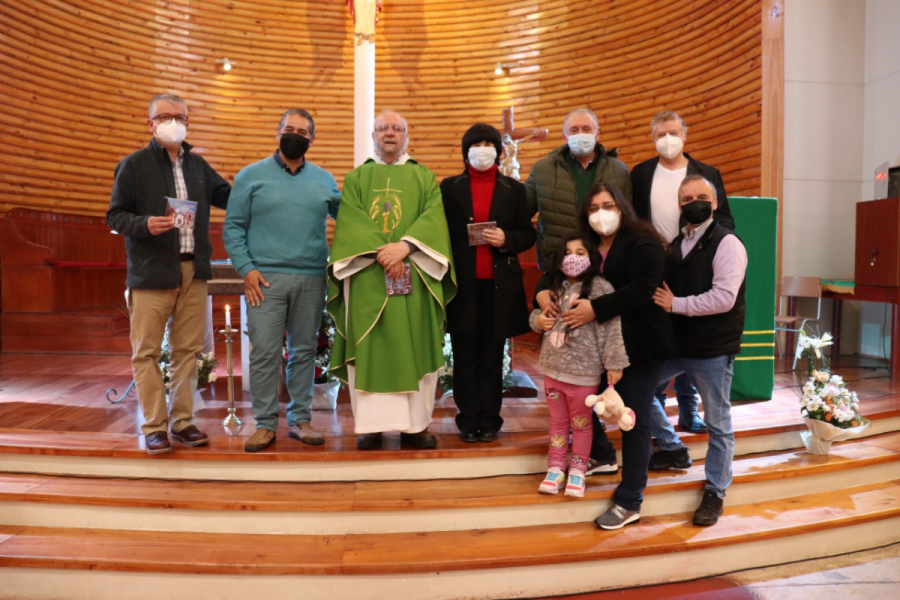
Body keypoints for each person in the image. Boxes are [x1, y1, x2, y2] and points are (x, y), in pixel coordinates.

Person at [534, 182, 677, 529]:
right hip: (591, 350)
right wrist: (541, 294)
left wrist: (593, 309)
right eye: (594, 207)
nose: (601, 213)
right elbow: (556, 272)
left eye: (608, 204)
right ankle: (600, 455)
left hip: (639, 345)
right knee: (583, 401)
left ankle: (630, 500)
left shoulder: (643, 241)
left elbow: (642, 289)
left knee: (632, 418)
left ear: (621, 207)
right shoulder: (586, 245)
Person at [107, 93, 230, 455]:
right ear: (151, 123)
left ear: (188, 122)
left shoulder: (198, 166)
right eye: (165, 116)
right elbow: (115, 216)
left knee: (187, 351)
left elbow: (231, 196)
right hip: (150, 272)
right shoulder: (133, 165)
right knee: (146, 353)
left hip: (193, 269)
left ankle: (182, 422)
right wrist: (144, 223)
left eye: (180, 116)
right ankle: (154, 426)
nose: (173, 121)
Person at [327, 110, 457, 450]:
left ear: (406, 136)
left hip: (415, 273)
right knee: (369, 346)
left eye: (397, 128)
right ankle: (370, 427)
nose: (389, 133)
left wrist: (404, 247)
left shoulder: (424, 178)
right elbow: (351, 222)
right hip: (367, 274)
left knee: (414, 344)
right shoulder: (357, 178)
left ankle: (415, 427)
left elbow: (434, 221)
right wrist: (385, 254)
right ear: (373, 135)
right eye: (383, 128)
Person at [223, 108, 341, 453]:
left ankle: (301, 420)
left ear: (312, 140)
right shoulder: (250, 176)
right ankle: (265, 424)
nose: (295, 135)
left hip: (311, 278)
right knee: (265, 353)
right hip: (265, 279)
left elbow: (351, 219)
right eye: (288, 129)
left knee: (304, 351)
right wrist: (247, 269)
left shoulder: (324, 179)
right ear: (277, 133)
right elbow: (232, 227)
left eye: (302, 132)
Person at [647, 174, 747, 527]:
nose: (694, 204)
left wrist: (676, 305)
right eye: (686, 199)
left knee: (718, 424)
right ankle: (673, 447)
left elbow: (724, 297)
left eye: (700, 197)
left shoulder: (727, 243)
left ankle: (716, 490)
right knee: (639, 390)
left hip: (712, 348)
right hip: (677, 344)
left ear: (715, 202)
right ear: (680, 206)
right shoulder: (678, 243)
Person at [631, 110, 734, 435]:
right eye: (660, 134)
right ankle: (657, 410)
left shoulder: (706, 173)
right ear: (652, 138)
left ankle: (690, 411)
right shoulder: (642, 173)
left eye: (672, 132)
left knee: (692, 332)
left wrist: (705, 248)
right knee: (660, 334)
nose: (667, 139)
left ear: (684, 135)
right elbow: (633, 218)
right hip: (656, 264)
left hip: (695, 260)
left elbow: (726, 219)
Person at [440, 123, 536, 443]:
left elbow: (527, 234)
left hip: (499, 286)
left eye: (488, 144)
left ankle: (490, 420)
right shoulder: (449, 187)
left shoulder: (514, 189)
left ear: (499, 150)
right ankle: (467, 419)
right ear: (466, 151)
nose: (482, 149)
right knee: (465, 355)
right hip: (463, 284)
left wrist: (507, 238)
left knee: (493, 357)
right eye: (476, 144)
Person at [530, 230, 629, 498]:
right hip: (551, 371)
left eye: (580, 253)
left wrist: (615, 363)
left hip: (583, 375)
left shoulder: (601, 288)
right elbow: (537, 317)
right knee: (558, 424)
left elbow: (612, 330)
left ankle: (578, 469)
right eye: (567, 253)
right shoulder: (553, 287)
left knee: (582, 425)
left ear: (592, 257)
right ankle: (555, 468)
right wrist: (538, 321)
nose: (572, 258)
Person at [525, 108, 632, 271]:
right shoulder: (542, 169)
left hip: (606, 261)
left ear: (597, 134)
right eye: (574, 130)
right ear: (565, 136)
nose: (580, 134)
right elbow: (522, 211)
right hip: (558, 262)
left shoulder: (619, 170)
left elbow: (628, 219)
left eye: (586, 129)